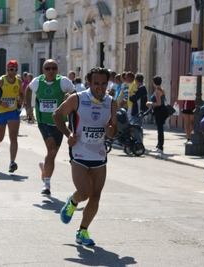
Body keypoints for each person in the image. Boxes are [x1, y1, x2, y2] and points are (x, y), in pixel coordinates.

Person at [52, 67, 117, 246]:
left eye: (103, 84)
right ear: (88, 82)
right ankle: (72, 202)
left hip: (99, 153)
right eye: (96, 83)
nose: (100, 87)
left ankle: (82, 231)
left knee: (95, 196)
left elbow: (113, 128)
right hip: (79, 150)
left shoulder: (111, 103)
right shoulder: (77, 99)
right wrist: (68, 134)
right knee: (84, 192)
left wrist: (112, 131)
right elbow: (57, 115)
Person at [26, 59, 76, 194]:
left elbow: (75, 95)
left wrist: (69, 97)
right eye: (48, 68)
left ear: (57, 70)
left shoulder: (64, 81)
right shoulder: (37, 82)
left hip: (59, 122)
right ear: (43, 70)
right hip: (43, 121)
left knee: (52, 154)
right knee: (52, 150)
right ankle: (46, 184)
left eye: (54, 68)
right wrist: (28, 107)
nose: (51, 71)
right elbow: (28, 89)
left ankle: (44, 166)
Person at [0, 60, 23, 173]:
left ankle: (12, 162)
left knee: (13, 136)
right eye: (11, 69)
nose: (14, 72)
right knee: (1, 137)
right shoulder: (0, 81)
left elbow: (21, 93)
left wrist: (21, 99)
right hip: (1, 112)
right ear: (7, 70)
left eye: (16, 69)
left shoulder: (18, 81)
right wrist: (0, 102)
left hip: (13, 112)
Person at [146, 76, 168, 153]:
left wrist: (150, 103)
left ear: (154, 83)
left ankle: (160, 146)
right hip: (161, 110)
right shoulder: (161, 90)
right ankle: (159, 145)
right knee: (160, 129)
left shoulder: (157, 91)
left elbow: (158, 103)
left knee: (160, 129)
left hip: (159, 110)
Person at [129, 73, 148, 142]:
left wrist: (131, 96)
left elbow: (133, 98)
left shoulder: (141, 89)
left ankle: (138, 142)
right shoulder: (141, 88)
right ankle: (139, 141)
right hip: (138, 110)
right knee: (138, 126)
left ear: (136, 80)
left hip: (138, 110)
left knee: (136, 127)